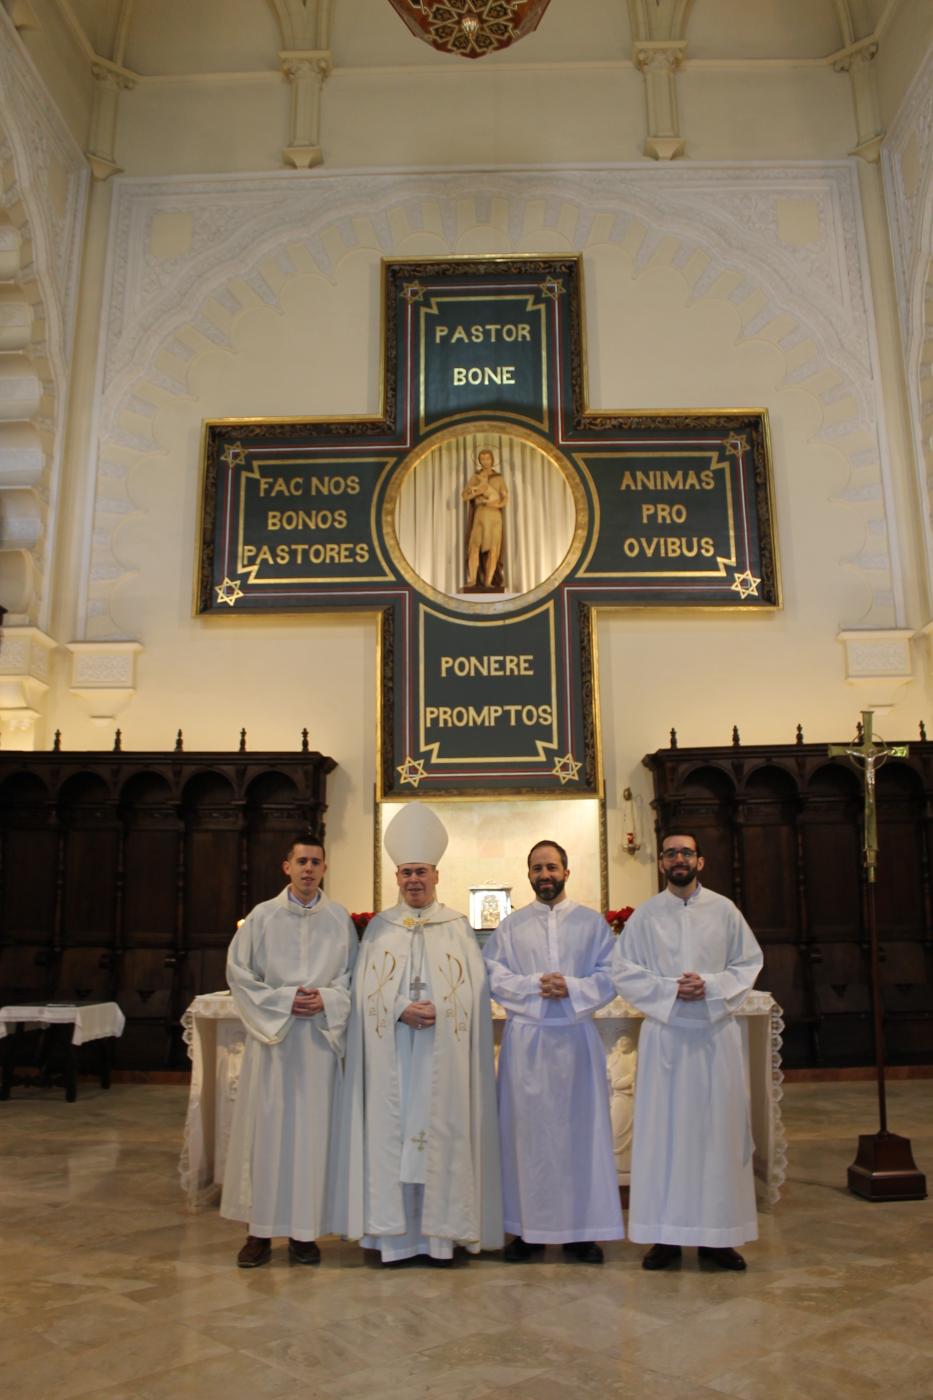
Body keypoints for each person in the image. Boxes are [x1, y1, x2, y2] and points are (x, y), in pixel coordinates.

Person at [330, 804, 502, 1265]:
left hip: (441, 1055)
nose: (413, 881)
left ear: (437, 875)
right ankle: (393, 1238)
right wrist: (400, 1008)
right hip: (395, 1057)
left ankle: (441, 1237)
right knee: (392, 1134)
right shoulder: (379, 930)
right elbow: (361, 991)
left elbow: (475, 993)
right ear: (397, 877)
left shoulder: (458, 928)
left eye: (421, 872)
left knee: (442, 1132)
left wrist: (442, 1008)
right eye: (405, 873)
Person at [610, 831, 763, 1272]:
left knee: (718, 1134)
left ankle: (719, 1238)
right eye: (671, 853)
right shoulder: (645, 916)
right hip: (668, 1038)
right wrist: (672, 990)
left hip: (715, 1037)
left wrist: (710, 986)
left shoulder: (725, 911)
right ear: (661, 863)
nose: (679, 859)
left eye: (686, 853)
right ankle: (665, 1238)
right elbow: (624, 970)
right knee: (664, 1137)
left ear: (701, 861)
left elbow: (748, 963)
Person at [483, 840, 625, 1264]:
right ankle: (528, 1231)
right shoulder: (511, 926)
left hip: (575, 1039)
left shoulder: (591, 923)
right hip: (527, 1041)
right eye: (537, 868)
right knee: (527, 1139)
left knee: (579, 1136)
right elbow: (492, 973)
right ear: (528, 874)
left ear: (566, 871)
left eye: (552, 867)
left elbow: (612, 971)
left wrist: (573, 987)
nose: (544, 875)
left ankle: (581, 1232)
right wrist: (532, 986)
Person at [220, 836, 357, 1268]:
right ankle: (259, 1233)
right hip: (274, 1044)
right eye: (302, 861)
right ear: (286, 867)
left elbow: (354, 977)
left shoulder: (339, 919)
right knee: (266, 1136)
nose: (309, 869)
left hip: (317, 1043)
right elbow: (238, 975)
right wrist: (283, 1001)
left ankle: (303, 1234)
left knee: (312, 1138)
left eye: (316, 862)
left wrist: (329, 1000)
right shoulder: (262, 917)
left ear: (324, 868)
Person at [462, 447, 508, 589]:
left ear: (492, 460)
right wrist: (477, 493)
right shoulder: (476, 478)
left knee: (494, 548)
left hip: (494, 515)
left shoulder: (498, 478)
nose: (485, 461)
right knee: (474, 546)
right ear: (479, 461)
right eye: (482, 459)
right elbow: (465, 496)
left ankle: (488, 581)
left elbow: (505, 498)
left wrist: (495, 503)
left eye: (488, 458)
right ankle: (473, 580)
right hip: (480, 514)